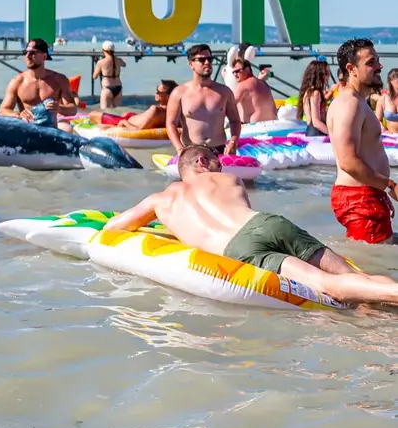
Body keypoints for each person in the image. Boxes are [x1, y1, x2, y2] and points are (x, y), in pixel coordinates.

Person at [108, 143, 398, 305]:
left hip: (240, 249)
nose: (221, 165)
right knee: (356, 278)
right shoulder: (228, 179)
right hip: (267, 223)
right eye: (216, 160)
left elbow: (113, 229)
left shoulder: (159, 202)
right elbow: (239, 209)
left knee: (326, 285)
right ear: (201, 162)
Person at [327, 38, 396, 244]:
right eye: (371, 62)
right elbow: (348, 161)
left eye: (378, 60)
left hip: (366, 195)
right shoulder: (349, 104)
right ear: (351, 69)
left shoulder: (358, 101)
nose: (379, 66)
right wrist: (390, 185)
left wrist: (380, 191)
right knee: (374, 262)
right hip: (359, 198)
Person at [166, 43, 241, 155]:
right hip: (190, 150)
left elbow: (235, 120)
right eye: (202, 60)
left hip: (219, 150)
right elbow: (171, 123)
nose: (207, 62)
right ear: (191, 64)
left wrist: (233, 142)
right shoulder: (179, 93)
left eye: (209, 59)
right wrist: (179, 149)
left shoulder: (224, 92)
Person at [0, 38, 77, 127]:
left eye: (32, 52)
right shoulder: (17, 82)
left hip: (51, 131)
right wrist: (18, 115)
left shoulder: (59, 80)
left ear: (44, 56)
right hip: (28, 131)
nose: (27, 56)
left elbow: (73, 110)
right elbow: (3, 111)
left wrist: (59, 108)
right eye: (26, 52)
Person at [230, 54, 278, 124]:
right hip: (273, 123)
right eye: (233, 72)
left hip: (252, 126)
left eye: (237, 71)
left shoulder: (242, 85)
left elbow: (230, 105)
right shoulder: (264, 84)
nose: (235, 74)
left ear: (247, 69)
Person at [298, 59, 333, 137]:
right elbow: (316, 122)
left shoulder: (308, 92)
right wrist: (333, 134)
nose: (328, 76)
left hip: (311, 132)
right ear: (319, 75)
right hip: (316, 134)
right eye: (326, 73)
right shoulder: (315, 93)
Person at [92, 40, 125, 109]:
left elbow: (94, 76)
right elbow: (124, 64)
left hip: (107, 88)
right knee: (117, 111)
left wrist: (98, 64)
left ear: (103, 50)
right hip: (118, 88)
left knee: (105, 111)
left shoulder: (101, 62)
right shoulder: (119, 60)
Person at [377, 68, 398, 134]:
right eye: (396, 78)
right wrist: (384, 130)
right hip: (391, 137)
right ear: (391, 81)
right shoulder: (383, 99)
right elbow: (377, 120)